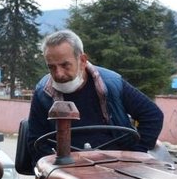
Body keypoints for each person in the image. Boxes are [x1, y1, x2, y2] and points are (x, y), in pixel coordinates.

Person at [27, 29, 164, 166]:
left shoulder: (112, 83)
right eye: (52, 67)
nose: (59, 74)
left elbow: (152, 115)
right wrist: (53, 167)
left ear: (82, 60)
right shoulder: (42, 94)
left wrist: (134, 155)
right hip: (67, 167)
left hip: (117, 165)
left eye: (65, 65)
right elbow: (35, 141)